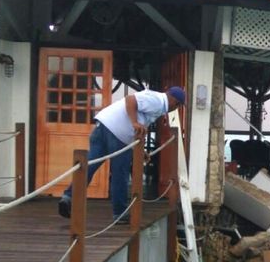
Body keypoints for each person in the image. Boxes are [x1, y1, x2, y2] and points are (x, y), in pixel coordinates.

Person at [58, 86, 185, 223]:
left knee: (89, 166)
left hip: (103, 126)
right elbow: (130, 100)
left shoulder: (156, 101)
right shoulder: (159, 101)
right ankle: (119, 213)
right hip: (119, 135)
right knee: (120, 174)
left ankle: (68, 197)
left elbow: (139, 124)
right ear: (174, 101)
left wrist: (140, 151)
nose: (175, 108)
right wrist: (134, 122)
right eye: (178, 105)